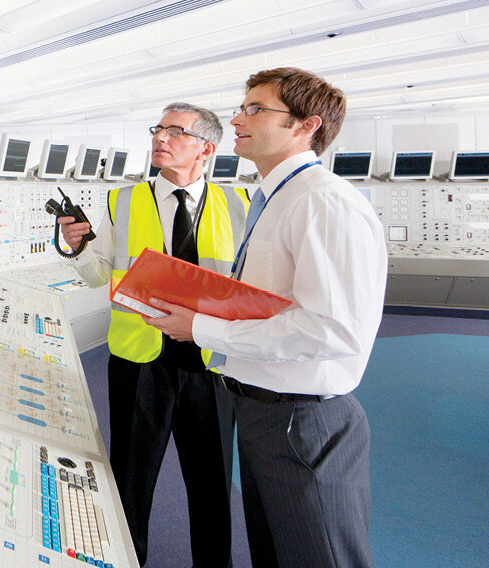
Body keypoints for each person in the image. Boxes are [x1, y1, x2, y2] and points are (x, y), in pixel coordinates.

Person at [142, 68, 386, 568]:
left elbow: (333, 329)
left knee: (321, 557)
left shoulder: (323, 201)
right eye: (242, 106)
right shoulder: (275, 196)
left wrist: (200, 328)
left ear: (306, 125)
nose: (236, 118)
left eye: (255, 109)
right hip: (262, 411)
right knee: (277, 555)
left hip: (302, 419)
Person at [58, 102, 249, 567]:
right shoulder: (123, 201)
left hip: (210, 365)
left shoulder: (241, 204)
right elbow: (95, 273)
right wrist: (78, 247)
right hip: (139, 359)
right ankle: (127, 560)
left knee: (211, 484)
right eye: (158, 129)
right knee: (131, 480)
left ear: (206, 147)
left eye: (175, 131)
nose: (161, 138)